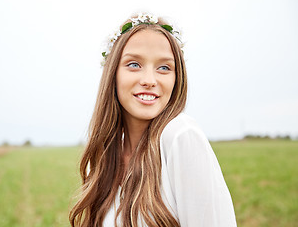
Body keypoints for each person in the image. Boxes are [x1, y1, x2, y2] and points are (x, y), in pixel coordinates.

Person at [69, 13, 237, 227]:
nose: (149, 80)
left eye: (164, 68)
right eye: (134, 64)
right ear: (113, 73)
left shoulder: (181, 136)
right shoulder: (103, 158)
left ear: (177, 79)